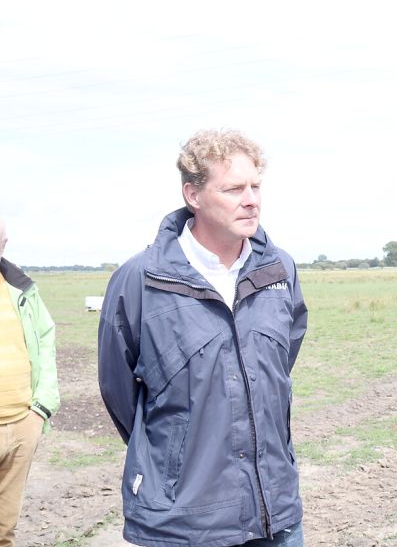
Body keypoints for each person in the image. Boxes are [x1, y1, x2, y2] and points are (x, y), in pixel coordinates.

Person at [98, 130, 308, 547]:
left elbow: (278, 365)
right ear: (193, 195)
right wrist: (174, 457)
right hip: (182, 524)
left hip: (274, 513)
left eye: (256, 186)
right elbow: (119, 390)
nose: (251, 200)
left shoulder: (279, 270)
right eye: (233, 189)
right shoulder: (140, 281)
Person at [0, 218, 59, 547]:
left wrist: (41, 409)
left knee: (4, 529)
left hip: (22, 425)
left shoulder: (21, 288)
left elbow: (46, 340)